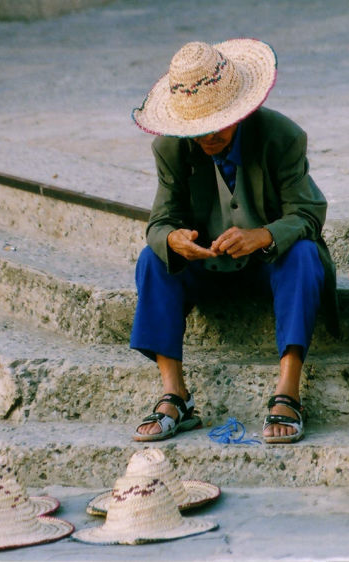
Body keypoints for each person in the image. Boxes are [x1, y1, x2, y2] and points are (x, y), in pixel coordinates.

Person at [129, 39, 338, 444]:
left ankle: (288, 390)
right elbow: (159, 222)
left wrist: (263, 235)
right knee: (152, 259)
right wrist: (174, 239)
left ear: (240, 112)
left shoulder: (281, 137)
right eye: (198, 128)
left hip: (268, 267)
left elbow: (310, 213)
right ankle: (176, 394)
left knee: (305, 255)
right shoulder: (171, 149)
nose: (208, 136)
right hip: (207, 268)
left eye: (218, 123)